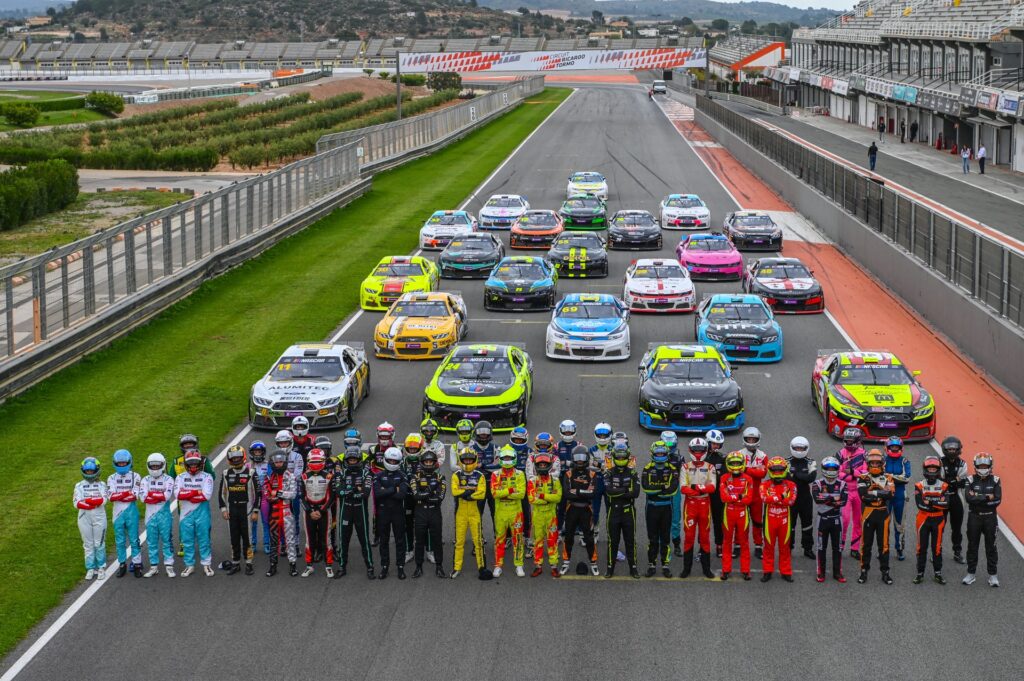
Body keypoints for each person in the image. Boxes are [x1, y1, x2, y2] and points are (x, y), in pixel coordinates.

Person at [217, 445, 260, 576]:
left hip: (246, 511)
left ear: (243, 457)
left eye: (238, 457)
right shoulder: (226, 473)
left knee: (247, 539)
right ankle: (235, 563)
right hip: (232, 511)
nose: (236, 460)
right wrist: (223, 509)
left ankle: (249, 563)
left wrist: (255, 511)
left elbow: (258, 493)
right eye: (233, 458)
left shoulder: (251, 472)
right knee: (234, 538)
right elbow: (221, 494)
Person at [679, 438, 716, 579]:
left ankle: (706, 569)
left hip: (705, 505)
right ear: (691, 450)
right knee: (689, 537)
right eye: (696, 450)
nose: (698, 452)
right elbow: (683, 489)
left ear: (705, 450)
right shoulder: (685, 467)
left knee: (705, 537)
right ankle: (686, 569)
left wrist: (694, 487)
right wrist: (701, 489)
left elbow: (712, 488)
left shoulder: (710, 467)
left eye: (701, 450)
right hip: (690, 505)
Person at [338, 446, 377, 579]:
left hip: (360, 511)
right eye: (350, 460)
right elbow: (339, 492)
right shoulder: (342, 473)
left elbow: (365, 494)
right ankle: (342, 567)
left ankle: (370, 567)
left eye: (354, 460)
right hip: (346, 511)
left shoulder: (366, 474)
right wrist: (355, 490)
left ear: (359, 460)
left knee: (364, 540)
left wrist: (349, 492)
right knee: (343, 540)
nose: (352, 462)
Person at [560, 446, 600, 576]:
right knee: (569, 537)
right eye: (577, 458)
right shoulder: (568, 474)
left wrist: (576, 491)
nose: (580, 461)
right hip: (571, 509)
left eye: (582, 458)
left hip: (586, 510)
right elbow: (567, 494)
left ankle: (593, 563)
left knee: (589, 538)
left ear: (587, 458)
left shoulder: (592, 474)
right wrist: (583, 491)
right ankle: (566, 562)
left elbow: (592, 494)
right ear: (573, 459)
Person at [857, 449, 894, 585]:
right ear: (868, 463)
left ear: (882, 463)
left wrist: (873, 492)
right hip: (868, 513)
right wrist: (881, 492)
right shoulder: (862, 477)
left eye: (877, 463)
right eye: (872, 463)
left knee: (884, 545)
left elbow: (890, 494)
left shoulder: (889, 477)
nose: (874, 465)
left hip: (883, 513)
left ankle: (885, 572)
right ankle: (863, 571)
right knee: (866, 545)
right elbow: (863, 496)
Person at [174, 450, 215, 577]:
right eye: (190, 463)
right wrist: (196, 492)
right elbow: (178, 495)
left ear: (200, 463)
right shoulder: (180, 477)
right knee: (187, 541)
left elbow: (206, 496)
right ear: (186, 464)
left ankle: (207, 565)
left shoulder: (207, 477)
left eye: (195, 463)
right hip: (185, 515)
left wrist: (188, 494)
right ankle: (189, 565)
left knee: (204, 539)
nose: (193, 466)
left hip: (202, 513)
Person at [963, 452, 1001, 586]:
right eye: (981, 466)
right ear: (976, 466)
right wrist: (986, 497)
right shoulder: (970, 480)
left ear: (990, 466)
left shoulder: (996, 480)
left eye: (985, 466)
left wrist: (977, 496)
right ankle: (971, 574)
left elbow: (997, 500)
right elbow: (969, 499)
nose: (983, 468)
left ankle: (993, 576)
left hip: (990, 518)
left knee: (991, 547)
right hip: (974, 517)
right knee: (972, 546)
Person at [641, 441, 678, 578]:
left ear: (667, 454)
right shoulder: (647, 468)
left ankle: (665, 565)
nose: (660, 456)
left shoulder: (673, 469)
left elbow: (672, 491)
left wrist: (656, 489)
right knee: (652, 538)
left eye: (662, 453)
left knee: (665, 538)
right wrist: (663, 488)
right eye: (658, 453)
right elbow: (646, 489)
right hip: (651, 507)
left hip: (666, 508)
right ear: (653, 454)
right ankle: (651, 564)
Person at [605, 443, 640, 579]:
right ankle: (610, 568)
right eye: (618, 456)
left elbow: (635, 493)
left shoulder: (633, 472)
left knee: (630, 541)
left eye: (622, 456)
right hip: (613, 511)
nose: (620, 458)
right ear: (614, 457)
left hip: (628, 511)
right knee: (612, 542)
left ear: (627, 457)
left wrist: (618, 491)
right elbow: (609, 492)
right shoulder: (608, 472)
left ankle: (633, 568)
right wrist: (625, 490)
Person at [451, 447, 487, 579]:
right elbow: (454, 491)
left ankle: (482, 568)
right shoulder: (456, 475)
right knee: (459, 542)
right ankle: (456, 568)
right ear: (460, 460)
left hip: (474, 512)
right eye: (465, 459)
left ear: (474, 460)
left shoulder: (480, 475)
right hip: (460, 513)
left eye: (470, 460)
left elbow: (481, 494)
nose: (467, 462)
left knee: (478, 542)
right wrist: (471, 491)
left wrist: (466, 494)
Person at [491, 445, 527, 578]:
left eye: (509, 458)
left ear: (514, 458)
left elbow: (521, 494)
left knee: (518, 539)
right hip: (500, 513)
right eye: (504, 458)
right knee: (499, 539)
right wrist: (511, 490)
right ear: (500, 458)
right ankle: (498, 565)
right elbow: (495, 493)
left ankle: (519, 564)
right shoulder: (495, 474)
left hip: (516, 513)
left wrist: (504, 492)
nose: (507, 460)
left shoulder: (520, 474)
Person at [760, 456, 797, 582]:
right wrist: (781, 497)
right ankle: (767, 571)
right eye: (774, 470)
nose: (777, 472)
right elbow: (765, 499)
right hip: (769, 521)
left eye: (780, 469)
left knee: (785, 547)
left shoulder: (791, 485)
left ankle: (786, 571)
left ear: (785, 470)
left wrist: (775, 499)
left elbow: (791, 501)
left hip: (784, 521)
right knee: (768, 547)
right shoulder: (764, 484)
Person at [811, 456, 848, 582]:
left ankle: (837, 572)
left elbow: (843, 502)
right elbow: (817, 499)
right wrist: (834, 499)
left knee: (837, 547)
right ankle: (820, 572)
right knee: (821, 547)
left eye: (833, 469)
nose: (831, 471)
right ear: (824, 469)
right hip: (822, 519)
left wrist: (826, 498)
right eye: (829, 468)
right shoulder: (817, 483)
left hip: (837, 519)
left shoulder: (843, 484)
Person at [912, 455, 948, 585]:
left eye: (934, 469)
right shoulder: (919, 485)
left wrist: (930, 502)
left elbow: (946, 504)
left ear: (938, 470)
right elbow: (920, 504)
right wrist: (937, 501)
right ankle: (919, 573)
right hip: (923, 519)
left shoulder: (944, 485)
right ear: (925, 469)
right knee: (921, 547)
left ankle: (938, 573)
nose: (932, 471)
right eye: (930, 469)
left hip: (938, 519)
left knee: (937, 547)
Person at [298, 449, 334, 578]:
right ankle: (309, 566)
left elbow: (332, 497)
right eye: (313, 461)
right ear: (308, 462)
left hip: (324, 512)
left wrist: (321, 510)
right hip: (309, 512)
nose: (315, 463)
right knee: (310, 539)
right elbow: (301, 496)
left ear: (324, 461)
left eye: (318, 461)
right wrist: (309, 511)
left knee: (326, 539)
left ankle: (329, 566)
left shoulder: (329, 476)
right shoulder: (303, 477)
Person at [107, 449, 142, 578]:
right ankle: (122, 564)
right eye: (119, 463)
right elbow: (111, 496)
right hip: (117, 514)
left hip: (132, 512)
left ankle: (137, 564)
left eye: (124, 463)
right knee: (120, 541)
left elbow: (135, 495)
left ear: (129, 462)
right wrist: (126, 493)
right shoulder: (111, 478)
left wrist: (120, 495)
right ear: (115, 463)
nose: (122, 465)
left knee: (134, 539)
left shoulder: (136, 476)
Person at [411, 450, 447, 578]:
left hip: (434, 512)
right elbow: (416, 496)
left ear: (434, 463)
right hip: (420, 512)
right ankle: (418, 567)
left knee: (437, 540)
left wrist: (424, 494)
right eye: (426, 462)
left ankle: (439, 566)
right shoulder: (415, 477)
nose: (428, 464)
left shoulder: (441, 478)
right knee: (419, 541)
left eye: (430, 462)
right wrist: (431, 491)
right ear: (422, 463)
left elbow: (439, 498)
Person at [263, 449, 298, 577]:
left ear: (285, 462)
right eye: (276, 462)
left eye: (281, 462)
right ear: (272, 463)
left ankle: (293, 565)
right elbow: (267, 494)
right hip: (274, 512)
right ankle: (273, 566)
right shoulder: (269, 477)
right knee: (273, 541)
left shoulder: (291, 476)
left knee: (290, 540)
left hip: (287, 512)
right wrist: (279, 495)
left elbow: (293, 494)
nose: (278, 464)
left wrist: (277, 493)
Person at [140, 453, 176, 578]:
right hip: (150, 517)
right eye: (153, 466)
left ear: (163, 465)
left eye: (157, 466)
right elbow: (143, 498)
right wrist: (158, 495)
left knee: (167, 540)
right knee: (151, 542)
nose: (155, 468)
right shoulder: (145, 480)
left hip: (164, 516)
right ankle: (153, 567)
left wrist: (151, 495)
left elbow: (166, 496)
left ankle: (169, 566)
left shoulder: (169, 479)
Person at [719, 452, 754, 581]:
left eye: (737, 463)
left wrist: (733, 497)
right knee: (727, 542)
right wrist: (739, 496)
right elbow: (724, 498)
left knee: (744, 542)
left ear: (742, 464)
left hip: (742, 513)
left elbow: (748, 500)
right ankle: (725, 570)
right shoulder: (724, 478)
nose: (735, 465)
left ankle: (746, 570)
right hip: (728, 512)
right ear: (728, 464)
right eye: (732, 463)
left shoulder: (748, 479)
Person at [527, 451, 562, 577]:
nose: (542, 466)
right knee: (538, 541)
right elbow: (531, 499)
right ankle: (538, 566)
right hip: (538, 516)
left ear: (549, 465)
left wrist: (541, 496)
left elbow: (558, 497)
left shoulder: (555, 480)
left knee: (553, 541)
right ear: (536, 466)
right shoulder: (532, 481)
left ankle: (554, 566)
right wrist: (548, 498)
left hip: (551, 516)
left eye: (544, 465)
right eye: (540, 465)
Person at [74, 457, 108, 581]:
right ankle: (90, 568)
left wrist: (87, 501)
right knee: (88, 544)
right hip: (84, 517)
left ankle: (101, 567)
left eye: (91, 471)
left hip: (99, 517)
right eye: (87, 471)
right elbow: (76, 503)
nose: (89, 473)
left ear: (96, 470)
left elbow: (104, 500)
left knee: (99, 543)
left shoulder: (102, 485)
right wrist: (92, 502)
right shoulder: (79, 485)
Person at [736, 426, 767, 559]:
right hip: (741, 492)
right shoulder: (738, 454)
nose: (751, 441)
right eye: (749, 439)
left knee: (757, 521)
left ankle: (758, 545)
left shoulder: (763, 456)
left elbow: (763, 473)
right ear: (744, 439)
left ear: (758, 439)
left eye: (753, 439)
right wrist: (754, 470)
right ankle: (737, 545)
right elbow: (735, 471)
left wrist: (746, 469)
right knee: (740, 521)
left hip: (756, 494)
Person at [837, 427, 866, 559]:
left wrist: (852, 472)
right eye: (847, 440)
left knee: (858, 521)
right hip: (845, 492)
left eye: (851, 441)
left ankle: (855, 548)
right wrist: (853, 476)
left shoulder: (864, 454)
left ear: (857, 441)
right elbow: (837, 473)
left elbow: (865, 473)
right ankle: (840, 546)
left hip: (859, 492)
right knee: (844, 520)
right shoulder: (840, 454)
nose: (848, 443)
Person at [787, 436, 817, 560]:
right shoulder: (786, 461)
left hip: (805, 499)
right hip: (791, 498)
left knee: (807, 524)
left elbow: (811, 478)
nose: (799, 450)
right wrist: (802, 476)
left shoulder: (811, 462)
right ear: (792, 448)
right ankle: (789, 548)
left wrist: (795, 474)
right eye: (797, 448)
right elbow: (787, 479)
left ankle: (808, 548)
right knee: (790, 525)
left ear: (806, 448)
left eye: (801, 448)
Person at [939, 435, 968, 564]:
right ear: (945, 449)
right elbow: (940, 482)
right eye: (949, 449)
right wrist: (954, 480)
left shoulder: (963, 464)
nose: (951, 451)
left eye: (954, 449)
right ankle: (937, 551)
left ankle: (957, 552)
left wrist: (948, 481)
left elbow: (962, 483)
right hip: (942, 498)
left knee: (957, 528)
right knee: (939, 527)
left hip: (957, 498)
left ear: (958, 449)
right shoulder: (939, 462)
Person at [883, 436, 912, 561]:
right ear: (887, 448)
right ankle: (883, 548)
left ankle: (899, 549)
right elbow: (879, 476)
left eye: (897, 447)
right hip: (885, 495)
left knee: (900, 524)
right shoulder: (882, 460)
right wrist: (894, 477)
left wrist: (889, 476)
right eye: (892, 447)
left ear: (901, 448)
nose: (894, 449)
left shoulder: (905, 461)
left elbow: (907, 478)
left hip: (900, 495)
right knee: (884, 523)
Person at [401, 433, 426, 564]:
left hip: (421, 498)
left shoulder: (426, 460)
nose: (411, 451)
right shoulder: (402, 461)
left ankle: (429, 550)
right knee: (407, 524)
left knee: (425, 524)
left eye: (414, 449)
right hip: (408, 498)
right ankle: (409, 550)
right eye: (410, 449)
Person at [589, 423, 615, 544]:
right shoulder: (591, 450)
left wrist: (599, 465)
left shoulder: (613, 450)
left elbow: (613, 466)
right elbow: (591, 466)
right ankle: (595, 531)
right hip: (596, 481)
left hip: (609, 482)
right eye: (600, 435)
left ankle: (611, 534)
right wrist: (605, 467)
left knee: (611, 510)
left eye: (605, 435)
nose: (603, 437)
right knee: (594, 510)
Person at [661, 431, 685, 557]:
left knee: (675, 519)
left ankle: (676, 544)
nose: (669, 448)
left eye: (671, 445)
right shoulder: (656, 456)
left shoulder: (680, 458)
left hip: (675, 491)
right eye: (667, 445)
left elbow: (684, 475)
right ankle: (661, 544)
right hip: (660, 491)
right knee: (661, 518)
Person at [472, 421, 499, 531]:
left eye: (486, 432)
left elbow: (498, 467)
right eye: (481, 432)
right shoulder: (470, 449)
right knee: (477, 514)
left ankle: (498, 536)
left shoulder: (496, 448)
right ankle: (479, 537)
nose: (483, 435)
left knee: (496, 513)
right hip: (477, 486)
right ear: (476, 433)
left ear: (490, 433)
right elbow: (470, 467)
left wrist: (482, 465)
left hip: (493, 485)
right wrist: (491, 465)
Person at [509, 426, 533, 546]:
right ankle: (509, 536)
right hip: (510, 484)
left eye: (520, 440)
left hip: (524, 486)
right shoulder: (506, 450)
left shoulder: (530, 452)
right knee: (509, 511)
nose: (518, 442)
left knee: (525, 511)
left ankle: (527, 536)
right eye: (516, 440)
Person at [705, 429, 727, 557]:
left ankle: (719, 545)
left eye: (718, 444)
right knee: (703, 521)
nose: (716, 446)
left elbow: (723, 477)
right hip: (703, 493)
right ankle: (702, 548)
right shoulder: (701, 457)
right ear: (708, 443)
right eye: (713, 443)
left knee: (718, 520)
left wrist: (713, 476)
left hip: (717, 494)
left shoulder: (723, 458)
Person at [248, 441, 272, 555]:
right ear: (252, 453)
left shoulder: (268, 465)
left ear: (263, 452)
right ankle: (253, 543)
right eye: (255, 452)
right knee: (252, 522)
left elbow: (272, 480)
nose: (257, 454)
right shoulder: (247, 466)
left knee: (266, 521)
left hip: (264, 497)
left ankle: (267, 543)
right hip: (251, 498)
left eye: (259, 451)